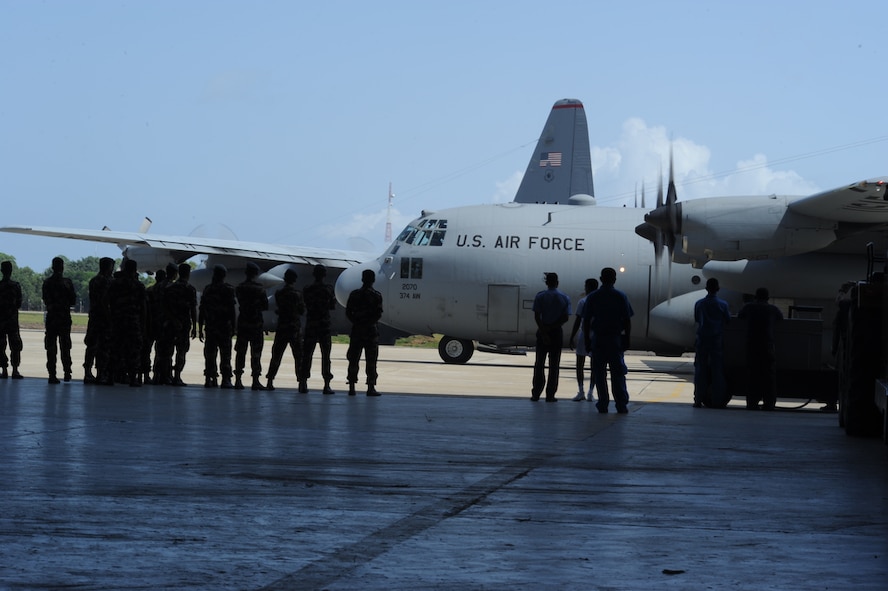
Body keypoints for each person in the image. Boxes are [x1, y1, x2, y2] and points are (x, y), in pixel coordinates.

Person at [583, 267, 634, 413]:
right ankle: (621, 403)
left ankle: (603, 402)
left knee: (599, 373)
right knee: (617, 373)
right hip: (614, 339)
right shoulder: (620, 296)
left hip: (598, 339)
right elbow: (627, 320)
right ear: (615, 279)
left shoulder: (593, 296)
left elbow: (586, 320)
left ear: (601, 279)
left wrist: (587, 340)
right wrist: (627, 338)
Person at [737, 287, 783, 410]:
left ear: (755, 297)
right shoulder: (772, 309)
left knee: (753, 375)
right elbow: (781, 318)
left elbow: (740, 316)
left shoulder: (749, 307)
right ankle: (769, 403)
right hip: (767, 345)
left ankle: (752, 402)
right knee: (769, 376)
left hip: (752, 345)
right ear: (768, 298)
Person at [531, 272, 571, 402]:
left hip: (542, 331)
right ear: (557, 282)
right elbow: (565, 317)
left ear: (546, 282)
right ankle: (550, 394)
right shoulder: (564, 297)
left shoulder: (540, 296)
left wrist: (544, 331)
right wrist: (552, 327)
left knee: (539, 364)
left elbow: (537, 316)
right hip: (556, 332)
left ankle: (536, 393)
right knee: (554, 365)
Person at [107, 259, 147, 386]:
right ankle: (133, 378)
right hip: (133, 322)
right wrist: (144, 323)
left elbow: (106, 301)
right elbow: (143, 306)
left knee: (114, 349)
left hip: (117, 321)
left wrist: (110, 316)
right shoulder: (139, 286)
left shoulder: (114, 284)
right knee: (134, 350)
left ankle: (110, 377)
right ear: (135, 270)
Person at [693, 277, 731, 408]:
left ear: (706, 288)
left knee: (700, 370)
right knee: (717, 371)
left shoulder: (699, 303)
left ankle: (698, 399)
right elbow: (728, 320)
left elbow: (697, 319)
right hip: (716, 340)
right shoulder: (723, 304)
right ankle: (717, 400)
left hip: (702, 339)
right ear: (718, 289)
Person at [345, 269, 383, 396]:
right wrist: (369, 323)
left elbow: (348, 312)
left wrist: (357, 322)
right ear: (373, 280)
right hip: (370, 332)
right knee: (371, 360)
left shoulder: (354, 294)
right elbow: (378, 314)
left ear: (362, 279)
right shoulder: (376, 296)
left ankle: (351, 386)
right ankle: (370, 386)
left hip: (357, 331)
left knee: (353, 359)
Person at [300, 263, 337, 394]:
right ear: (324, 275)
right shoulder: (328, 289)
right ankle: (326, 384)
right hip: (324, 325)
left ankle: (303, 382)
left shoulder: (307, 289)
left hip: (311, 324)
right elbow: (332, 306)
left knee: (307, 355)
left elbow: (305, 303)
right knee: (326, 356)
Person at [266, 269, 305, 391]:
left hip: (282, 327)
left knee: (276, 355)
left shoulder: (279, 293)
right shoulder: (297, 294)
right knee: (299, 356)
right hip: (294, 328)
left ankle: (270, 380)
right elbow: (301, 311)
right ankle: (302, 382)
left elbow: (279, 308)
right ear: (294, 280)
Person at [198, 265, 237, 389]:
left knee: (210, 354)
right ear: (224, 275)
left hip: (210, 327)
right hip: (224, 327)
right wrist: (234, 326)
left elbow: (202, 310)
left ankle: (210, 378)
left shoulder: (207, 289)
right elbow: (232, 310)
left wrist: (199, 328)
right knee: (225, 354)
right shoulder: (228, 289)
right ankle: (226, 379)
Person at [234, 262, 269, 390]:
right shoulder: (260, 289)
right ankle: (255, 380)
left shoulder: (239, 287)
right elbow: (265, 306)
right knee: (256, 353)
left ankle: (238, 379)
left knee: (241, 352)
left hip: (243, 323)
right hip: (256, 324)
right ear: (256, 274)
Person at [42, 256, 77, 384]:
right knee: (65, 346)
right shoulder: (67, 283)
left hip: (52, 318)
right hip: (64, 318)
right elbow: (73, 300)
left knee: (51, 348)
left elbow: (46, 300)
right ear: (62, 267)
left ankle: (52, 374)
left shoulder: (47, 282)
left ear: (52, 267)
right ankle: (67, 372)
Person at [163, 263, 198, 386]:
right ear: (188, 274)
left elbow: (165, 307)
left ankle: (167, 375)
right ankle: (177, 376)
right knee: (181, 351)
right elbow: (193, 309)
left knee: (168, 351)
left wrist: (172, 319)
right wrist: (195, 326)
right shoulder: (190, 289)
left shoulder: (170, 288)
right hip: (184, 325)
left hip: (171, 324)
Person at [83, 257, 115, 384]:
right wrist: (109, 317)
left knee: (91, 345)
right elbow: (105, 301)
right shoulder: (108, 281)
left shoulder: (93, 281)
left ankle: (88, 371)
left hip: (94, 317)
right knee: (104, 347)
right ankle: (101, 373)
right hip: (104, 318)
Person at [569, 278, 598, 402]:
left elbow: (577, 320)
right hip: (596, 334)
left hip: (583, 334)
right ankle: (591, 392)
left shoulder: (583, 301)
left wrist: (572, 336)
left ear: (588, 287)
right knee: (594, 366)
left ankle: (581, 391)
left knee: (580, 364)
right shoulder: (600, 301)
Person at [0, 260, 24, 379]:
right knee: (15, 345)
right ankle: (15, 370)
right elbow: (19, 303)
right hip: (12, 321)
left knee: (0, 345)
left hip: (1, 321)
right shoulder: (16, 286)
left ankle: (4, 369)